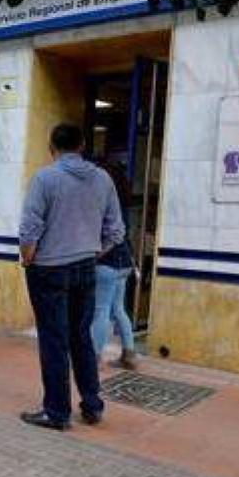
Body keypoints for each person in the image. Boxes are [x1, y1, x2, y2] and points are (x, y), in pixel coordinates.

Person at [18, 123, 124, 431]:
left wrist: (29, 258)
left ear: (52, 147)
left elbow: (29, 228)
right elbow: (116, 230)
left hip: (48, 268)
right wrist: (93, 251)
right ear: (82, 145)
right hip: (85, 267)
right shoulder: (102, 179)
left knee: (54, 341)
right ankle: (92, 405)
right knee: (81, 338)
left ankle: (56, 411)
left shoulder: (45, 178)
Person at [91, 159, 139, 371]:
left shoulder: (104, 201)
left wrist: (95, 255)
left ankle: (93, 357)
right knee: (118, 308)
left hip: (107, 262)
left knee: (100, 310)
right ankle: (129, 354)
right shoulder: (124, 201)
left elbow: (108, 235)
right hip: (125, 261)